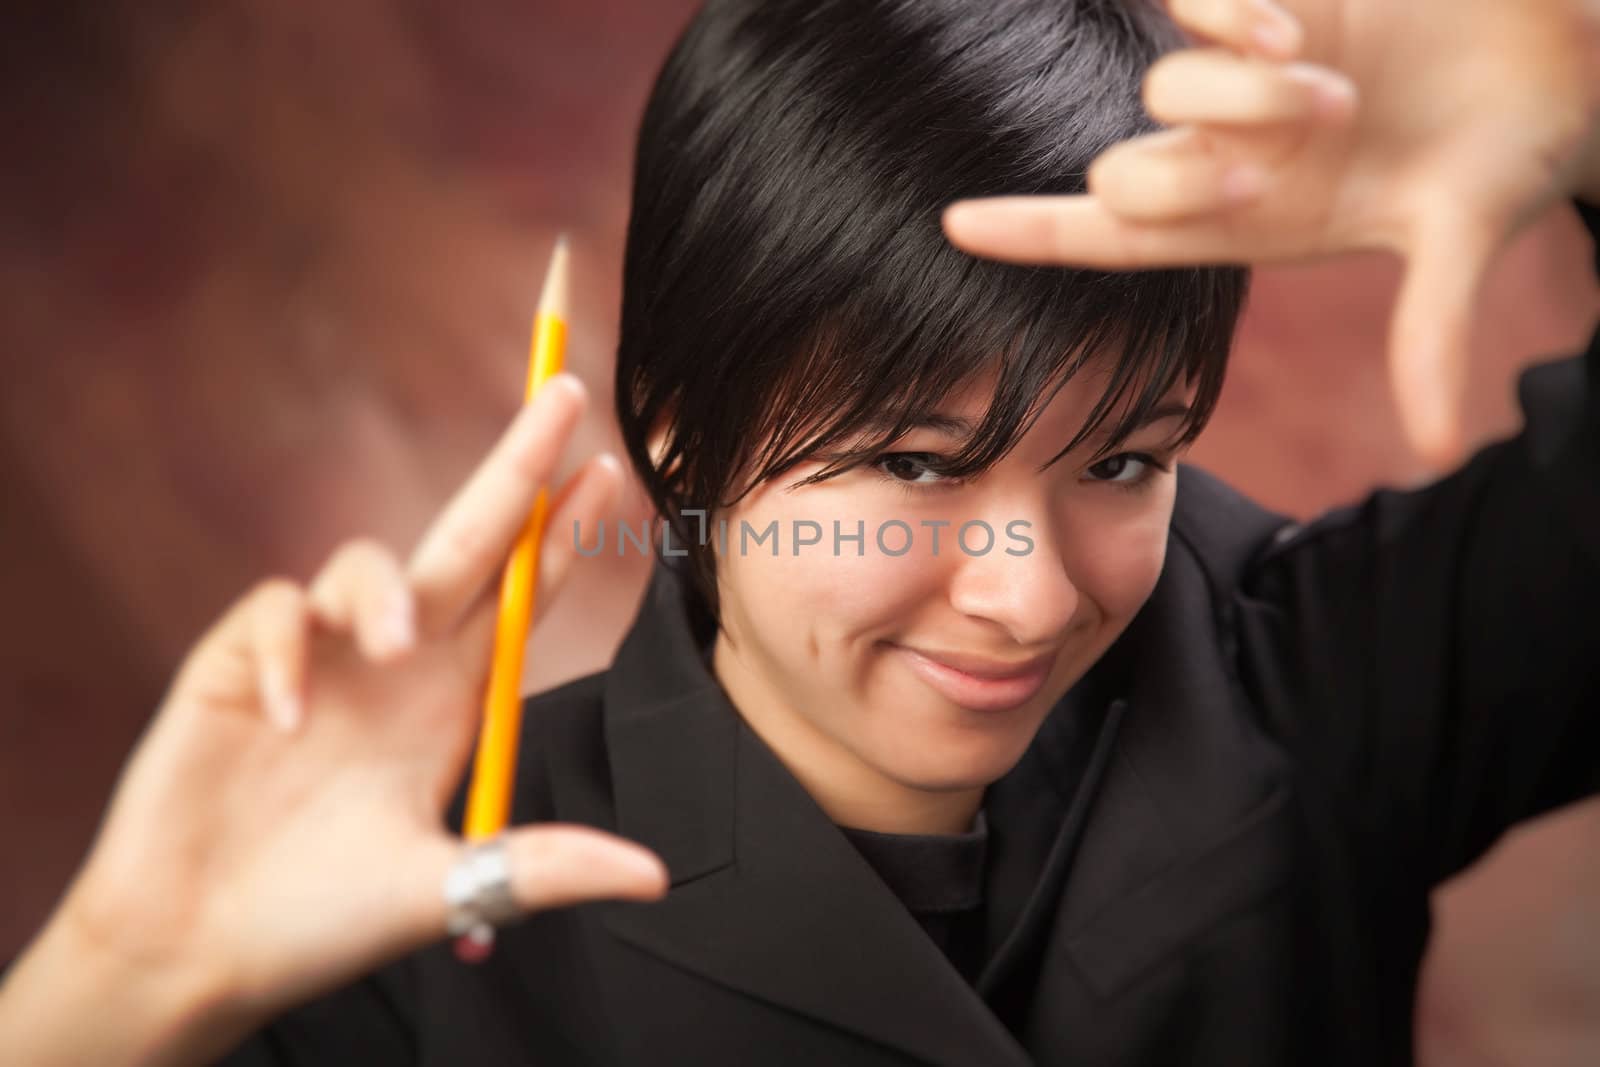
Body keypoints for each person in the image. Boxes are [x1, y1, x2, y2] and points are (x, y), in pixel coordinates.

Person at [1, 0, 1597, 1065]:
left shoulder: (1307, 674)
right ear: (678, 421)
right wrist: (120, 983)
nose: (1028, 597)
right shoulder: (401, 892)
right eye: (913, 466)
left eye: (1122, 461)